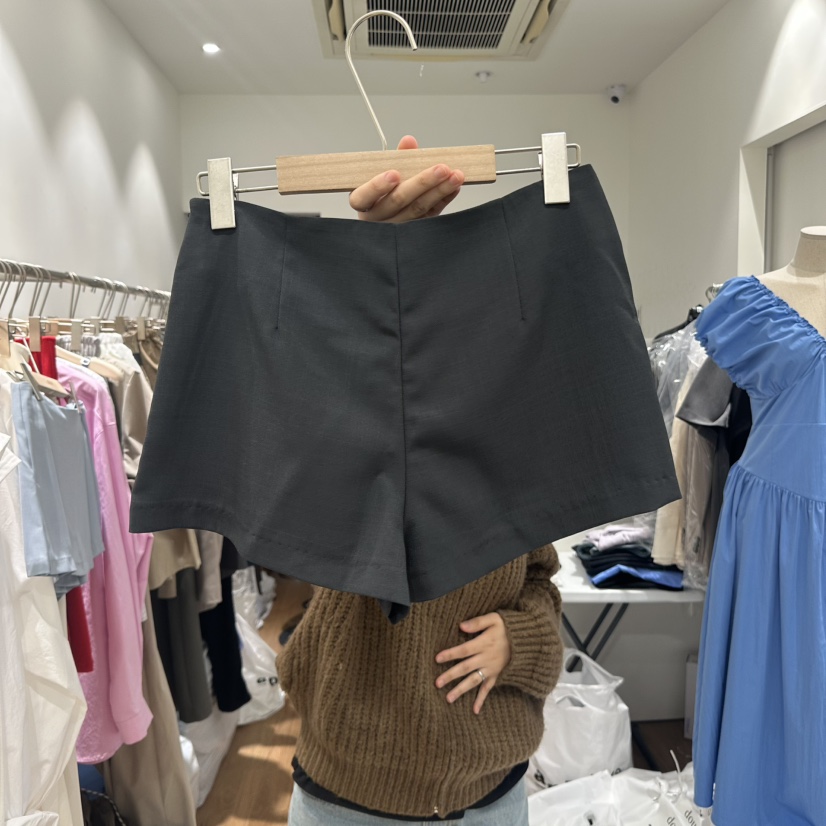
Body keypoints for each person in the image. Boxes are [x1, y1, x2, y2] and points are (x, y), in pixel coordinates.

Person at [279, 136, 564, 825]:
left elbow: (541, 582)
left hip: (489, 789)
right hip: (344, 790)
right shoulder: (348, 422)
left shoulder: (510, 443)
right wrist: (377, 262)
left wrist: (519, 639)